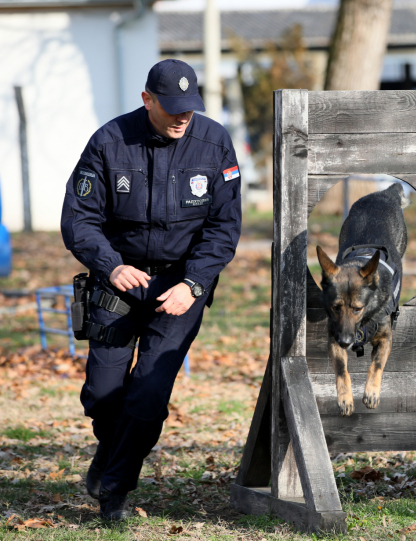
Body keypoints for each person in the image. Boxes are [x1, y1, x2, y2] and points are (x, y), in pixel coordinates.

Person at [60, 59, 242, 520]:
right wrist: (111, 266)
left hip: (179, 288)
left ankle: (115, 490)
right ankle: (110, 453)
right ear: (148, 100)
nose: (183, 117)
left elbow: (223, 228)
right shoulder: (108, 142)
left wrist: (193, 283)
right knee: (102, 394)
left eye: (190, 108)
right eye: (172, 108)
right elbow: (79, 220)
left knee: (148, 391)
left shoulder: (214, 141)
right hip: (118, 284)